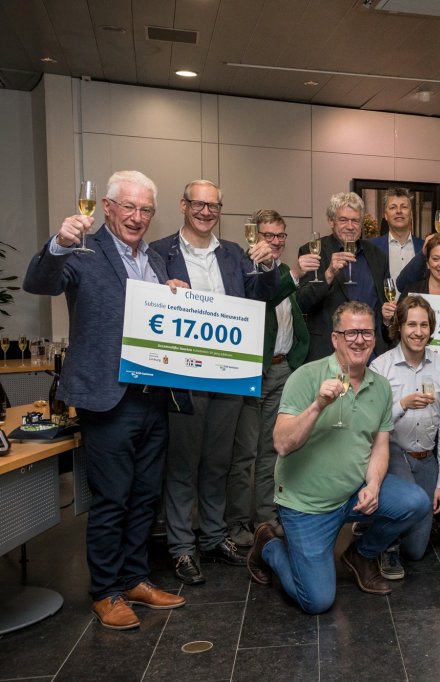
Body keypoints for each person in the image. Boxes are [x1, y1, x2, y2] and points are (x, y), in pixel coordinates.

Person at [24, 170, 188, 629]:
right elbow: (39, 282)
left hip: (153, 393)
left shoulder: (155, 259)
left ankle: (136, 578)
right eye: (128, 207)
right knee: (112, 498)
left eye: (145, 209)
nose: (137, 216)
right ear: (108, 209)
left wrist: (176, 296)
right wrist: (58, 241)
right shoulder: (83, 250)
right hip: (105, 396)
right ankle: (106, 591)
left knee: (143, 496)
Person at [247, 301, 431, 613]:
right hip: (308, 504)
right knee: (317, 601)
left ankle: (360, 554)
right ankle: (270, 547)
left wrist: (373, 486)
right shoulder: (306, 377)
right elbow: (281, 443)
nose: (360, 340)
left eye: (367, 333)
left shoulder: (381, 386)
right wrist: (318, 406)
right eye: (352, 333)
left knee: (416, 502)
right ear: (335, 339)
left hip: (352, 493)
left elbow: (380, 445)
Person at [149, 179, 279, 586]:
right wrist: (162, 290)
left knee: (219, 462)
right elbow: (142, 300)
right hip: (183, 376)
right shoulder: (160, 253)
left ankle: (212, 536)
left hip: (230, 374)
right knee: (184, 463)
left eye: (214, 206)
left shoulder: (236, 254)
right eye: (199, 204)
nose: (206, 212)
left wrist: (269, 265)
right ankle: (182, 547)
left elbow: (263, 298)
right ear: (184, 205)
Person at [226, 209, 315, 548]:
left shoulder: (281, 272)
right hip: (254, 372)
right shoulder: (245, 272)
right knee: (245, 453)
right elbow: (266, 300)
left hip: (282, 370)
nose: (275, 242)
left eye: (280, 236)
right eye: (268, 235)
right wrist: (293, 274)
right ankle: (235, 524)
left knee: (271, 451)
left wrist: (294, 362)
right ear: (254, 236)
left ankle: (264, 518)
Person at [369, 295, 440, 579]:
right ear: (399, 326)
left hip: (426, 457)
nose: (418, 332)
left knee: (417, 551)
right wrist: (402, 405)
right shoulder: (380, 367)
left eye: (424, 325)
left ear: (431, 329)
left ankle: (380, 524)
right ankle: (385, 544)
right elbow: (371, 424)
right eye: (411, 325)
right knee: (402, 519)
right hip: (392, 454)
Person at [297, 191, 390, 361]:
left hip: (370, 355)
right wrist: (329, 274)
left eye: (355, 220)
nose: (350, 226)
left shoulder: (377, 255)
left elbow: (385, 305)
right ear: (331, 221)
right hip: (327, 352)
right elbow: (302, 303)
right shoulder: (312, 250)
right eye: (343, 220)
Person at [367, 187, 423, 284]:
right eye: (393, 207)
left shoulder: (424, 247)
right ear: (386, 215)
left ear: (411, 214)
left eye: (404, 207)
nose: (398, 211)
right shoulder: (371, 248)